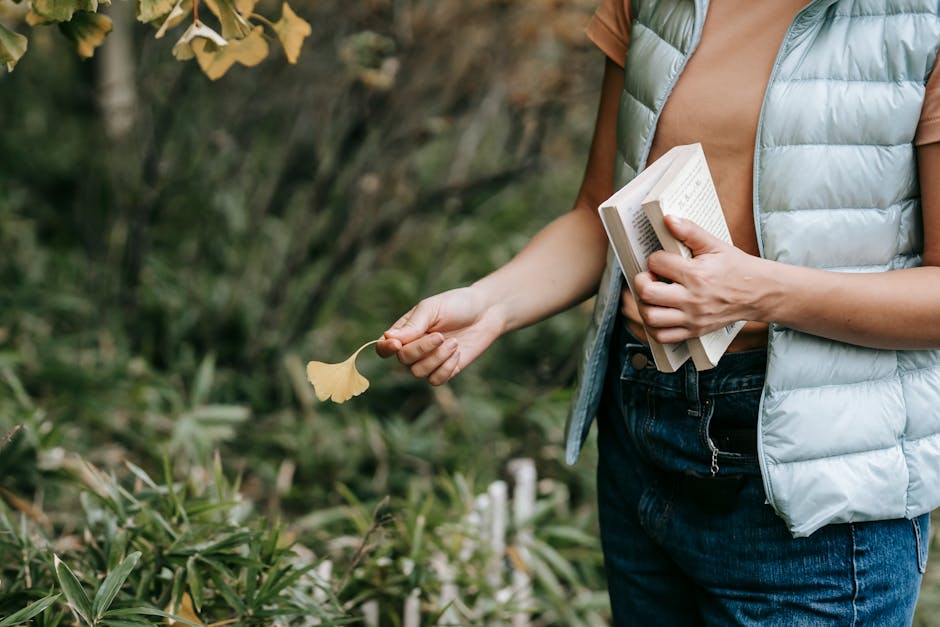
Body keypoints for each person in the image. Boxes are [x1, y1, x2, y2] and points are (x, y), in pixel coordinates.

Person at [377, 0, 940, 623]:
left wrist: (759, 291)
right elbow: (600, 213)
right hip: (643, 432)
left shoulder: (920, 19)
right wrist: (488, 304)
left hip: (816, 489)